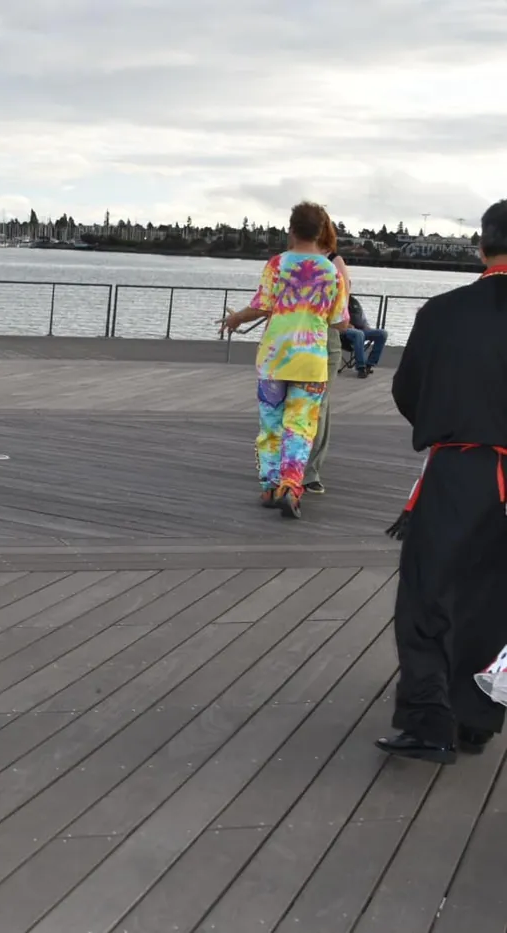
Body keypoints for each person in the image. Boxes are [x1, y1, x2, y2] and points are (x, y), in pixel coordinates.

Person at [376, 198, 507, 764]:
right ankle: (477, 718)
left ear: (482, 246)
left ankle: (431, 720)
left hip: (463, 468)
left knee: (432, 591)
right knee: (496, 595)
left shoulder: (443, 312)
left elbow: (409, 391)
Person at [218, 202, 348, 518]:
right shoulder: (332, 271)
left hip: (275, 359)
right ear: (321, 231)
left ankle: (269, 486)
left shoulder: (277, 264)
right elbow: (341, 322)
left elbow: (262, 306)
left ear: (290, 229)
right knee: (301, 427)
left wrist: (236, 319)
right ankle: (291, 487)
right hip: (312, 360)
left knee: (271, 424)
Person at [304, 214, 354, 494]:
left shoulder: (334, 262)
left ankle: (310, 472)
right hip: (302, 339)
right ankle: (290, 466)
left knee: (320, 406)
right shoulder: (293, 259)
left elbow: (342, 306)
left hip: (325, 337)